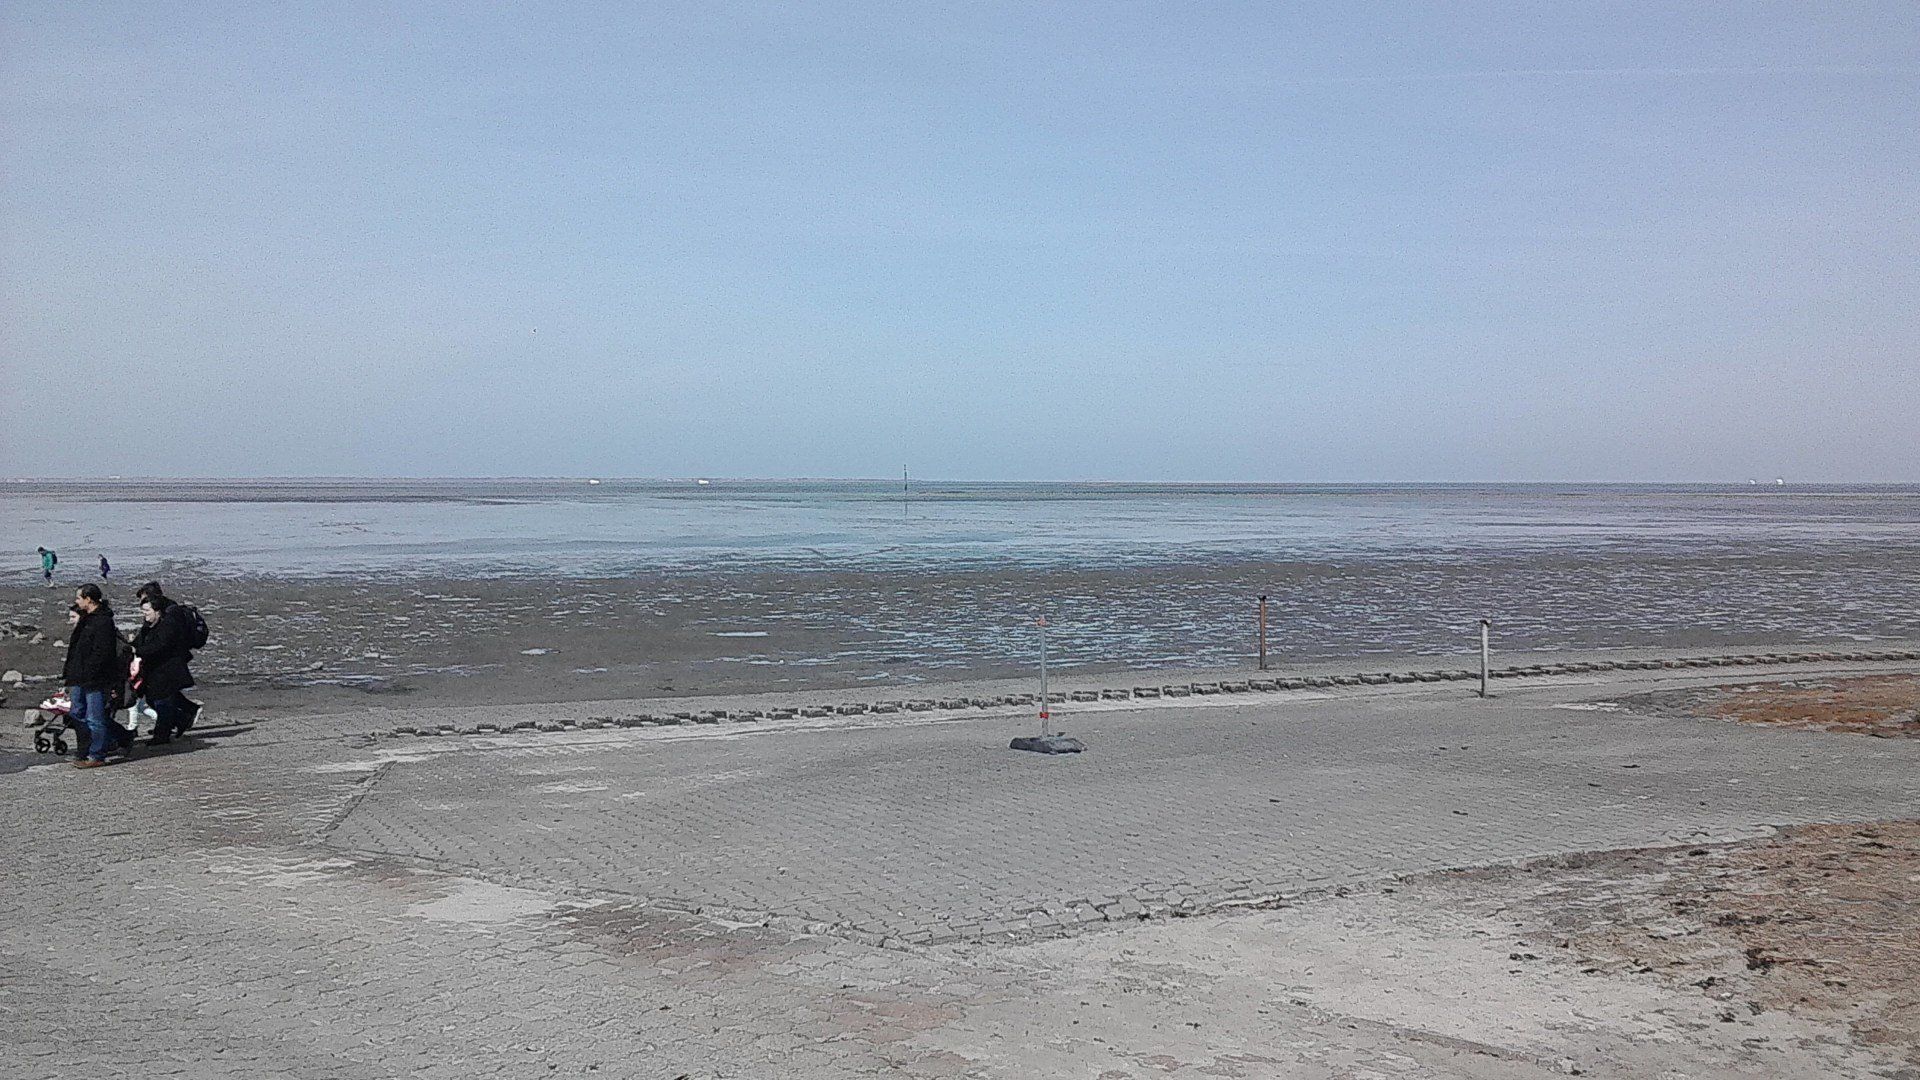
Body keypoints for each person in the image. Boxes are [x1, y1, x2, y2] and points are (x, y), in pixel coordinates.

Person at [63, 584, 132, 767]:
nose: (76, 601)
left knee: (95, 718)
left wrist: (91, 672)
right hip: (79, 675)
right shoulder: (86, 618)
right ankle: (90, 747)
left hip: (96, 678)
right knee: (76, 712)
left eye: (79, 598)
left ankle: (97, 754)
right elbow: (76, 649)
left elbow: (103, 653)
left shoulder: (103, 621)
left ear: (89, 599)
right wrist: (69, 672)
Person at [133, 590, 198, 744]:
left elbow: (159, 646)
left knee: (162, 702)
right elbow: (140, 642)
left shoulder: (168, 624)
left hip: (169, 670)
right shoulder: (149, 625)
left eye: (147, 611)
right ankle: (181, 719)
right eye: (143, 611)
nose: (144, 614)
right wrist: (131, 647)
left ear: (157, 611)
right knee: (154, 700)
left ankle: (161, 736)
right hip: (155, 670)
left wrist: (138, 650)